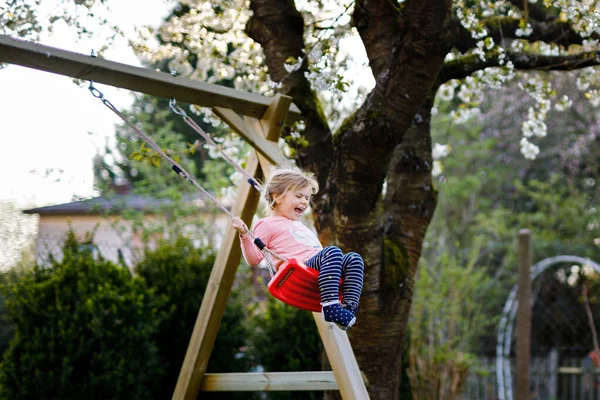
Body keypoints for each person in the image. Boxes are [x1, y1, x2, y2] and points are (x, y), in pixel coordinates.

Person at [231, 168, 364, 330]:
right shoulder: (266, 224)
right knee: (333, 251)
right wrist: (244, 235)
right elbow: (254, 259)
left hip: (320, 270)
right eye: (299, 196)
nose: (304, 201)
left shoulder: (298, 225)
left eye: (307, 197)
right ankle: (331, 308)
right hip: (298, 271)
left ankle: (348, 308)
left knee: (354, 258)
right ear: (276, 196)